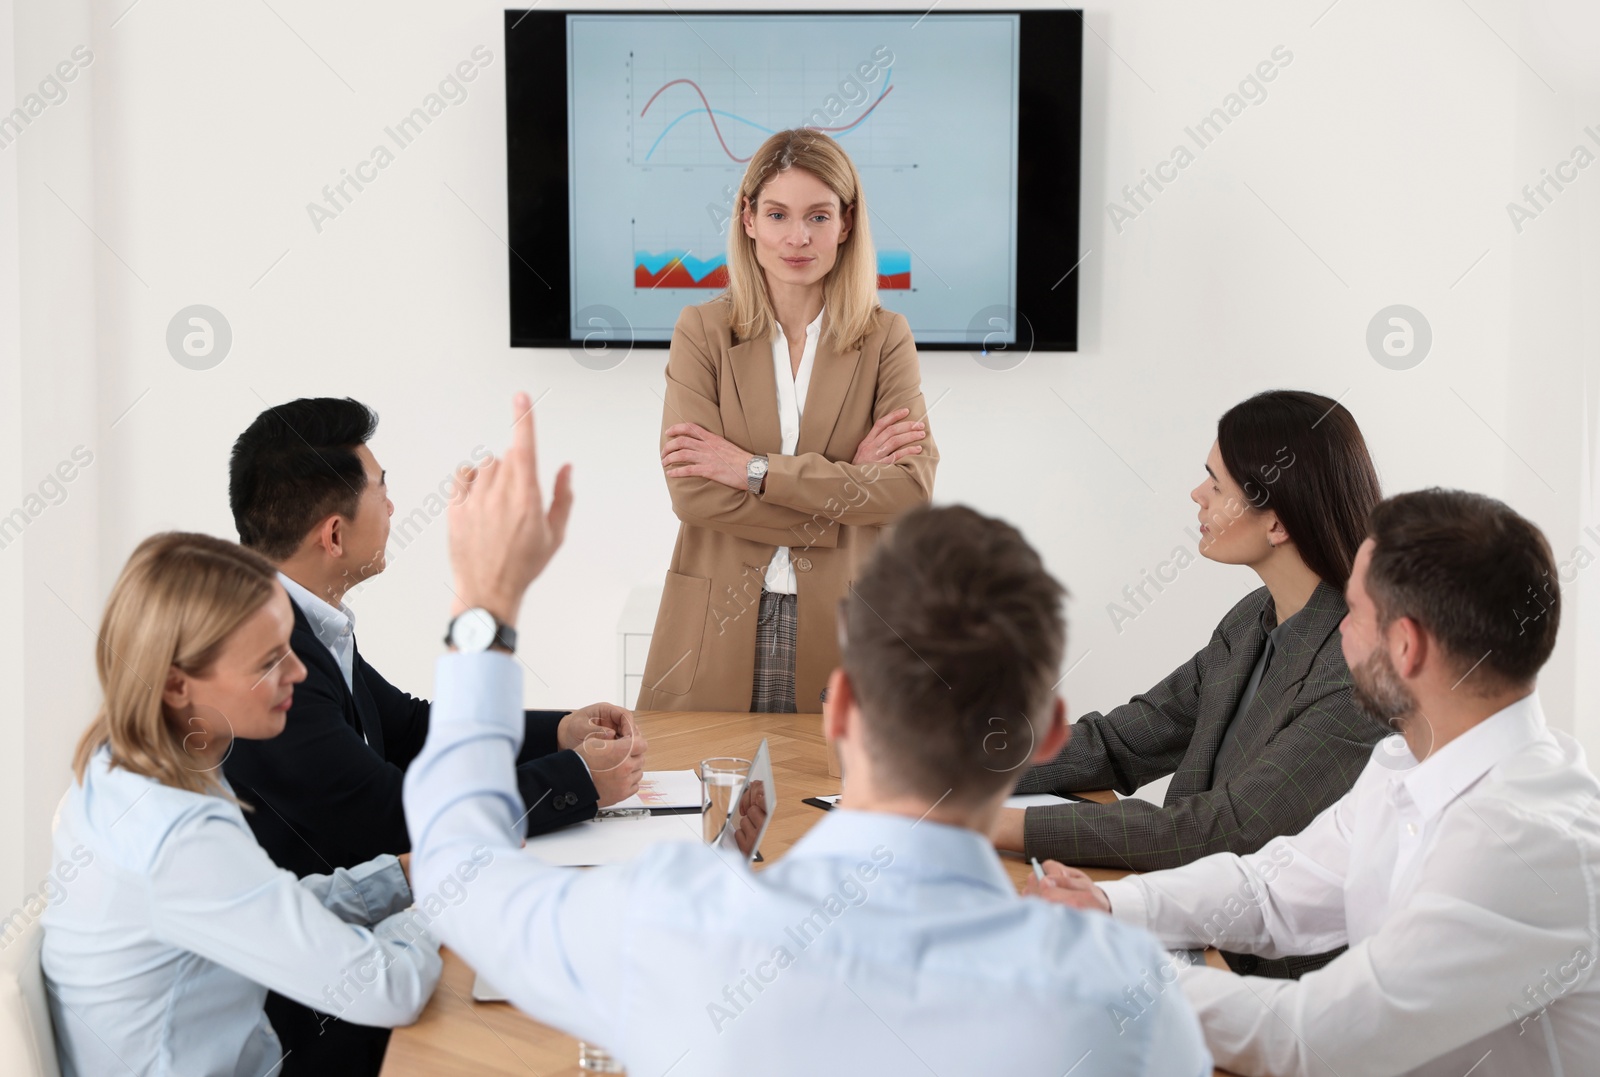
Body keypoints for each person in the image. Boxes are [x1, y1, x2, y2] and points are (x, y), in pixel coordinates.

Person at [401, 392, 1212, 1076]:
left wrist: (487, 604)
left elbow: (458, 870)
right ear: (1044, 736)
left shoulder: (676, 930)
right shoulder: (1126, 995)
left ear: (839, 710)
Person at [1027, 488, 1600, 1077]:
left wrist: (1114, 974)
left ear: (1405, 647)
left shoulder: (1522, 842)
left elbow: (1313, 1041)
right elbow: (1272, 890)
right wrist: (1108, 904)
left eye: (1353, 613)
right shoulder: (1407, 763)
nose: (1339, 635)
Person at [221, 396, 643, 1075]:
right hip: (315, 1010)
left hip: (362, 936)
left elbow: (412, 727)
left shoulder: (301, 623)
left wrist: (560, 733)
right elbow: (395, 815)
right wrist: (577, 782)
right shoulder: (265, 659)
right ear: (333, 534)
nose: (393, 507)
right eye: (382, 489)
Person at [991, 390, 1387, 979]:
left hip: (1268, 979)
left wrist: (994, 823)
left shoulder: (1355, 673)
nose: (1197, 495)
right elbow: (1119, 742)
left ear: (1276, 521)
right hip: (1192, 929)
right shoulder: (1255, 619)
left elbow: (1223, 832)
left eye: (1216, 484)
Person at [41, 532, 441, 1077]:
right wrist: (444, 908)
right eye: (270, 662)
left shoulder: (125, 769)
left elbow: (264, 905)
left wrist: (404, 877)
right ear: (178, 685)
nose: (299, 673)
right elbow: (388, 991)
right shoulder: (180, 835)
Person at [641, 128, 938, 715]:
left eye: (819, 216)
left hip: (847, 627)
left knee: (833, 801)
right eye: (778, 214)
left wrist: (750, 469)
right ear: (748, 219)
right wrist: (847, 483)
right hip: (715, 625)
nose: (797, 237)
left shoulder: (885, 338)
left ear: (847, 224)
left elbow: (909, 490)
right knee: (706, 799)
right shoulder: (702, 330)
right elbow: (693, 492)